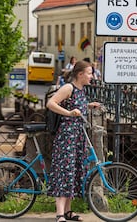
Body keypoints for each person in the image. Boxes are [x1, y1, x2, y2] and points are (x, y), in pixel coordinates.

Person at [46, 60, 101, 222]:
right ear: (80, 74)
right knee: (64, 171)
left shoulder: (81, 90)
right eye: (89, 73)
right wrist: (68, 113)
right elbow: (51, 103)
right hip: (67, 137)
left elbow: (76, 105)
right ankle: (60, 213)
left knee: (74, 172)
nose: (92, 76)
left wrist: (88, 106)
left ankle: (68, 211)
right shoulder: (68, 87)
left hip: (77, 136)